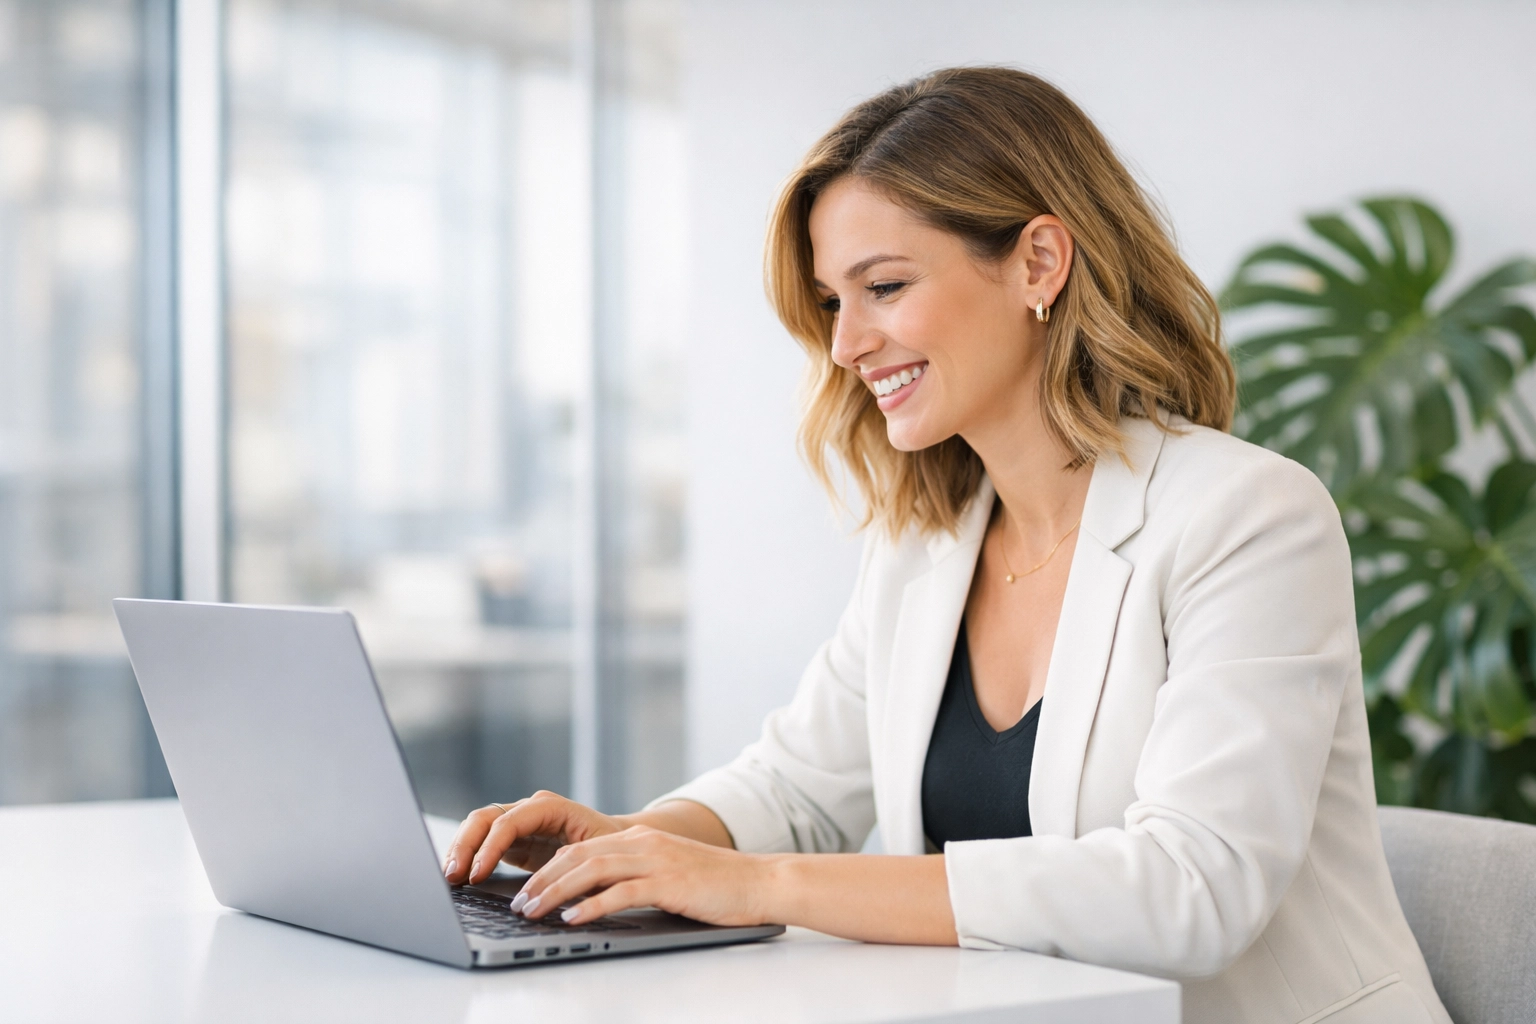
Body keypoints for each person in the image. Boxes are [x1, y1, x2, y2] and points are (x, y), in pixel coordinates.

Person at [444, 67, 1450, 1024]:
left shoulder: (1251, 516)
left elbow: (1193, 886)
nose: (844, 345)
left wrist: (755, 884)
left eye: (883, 286)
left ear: (1038, 264)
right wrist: (630, 844)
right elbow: (797, 787)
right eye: (835, 301)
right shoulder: (928, 543)